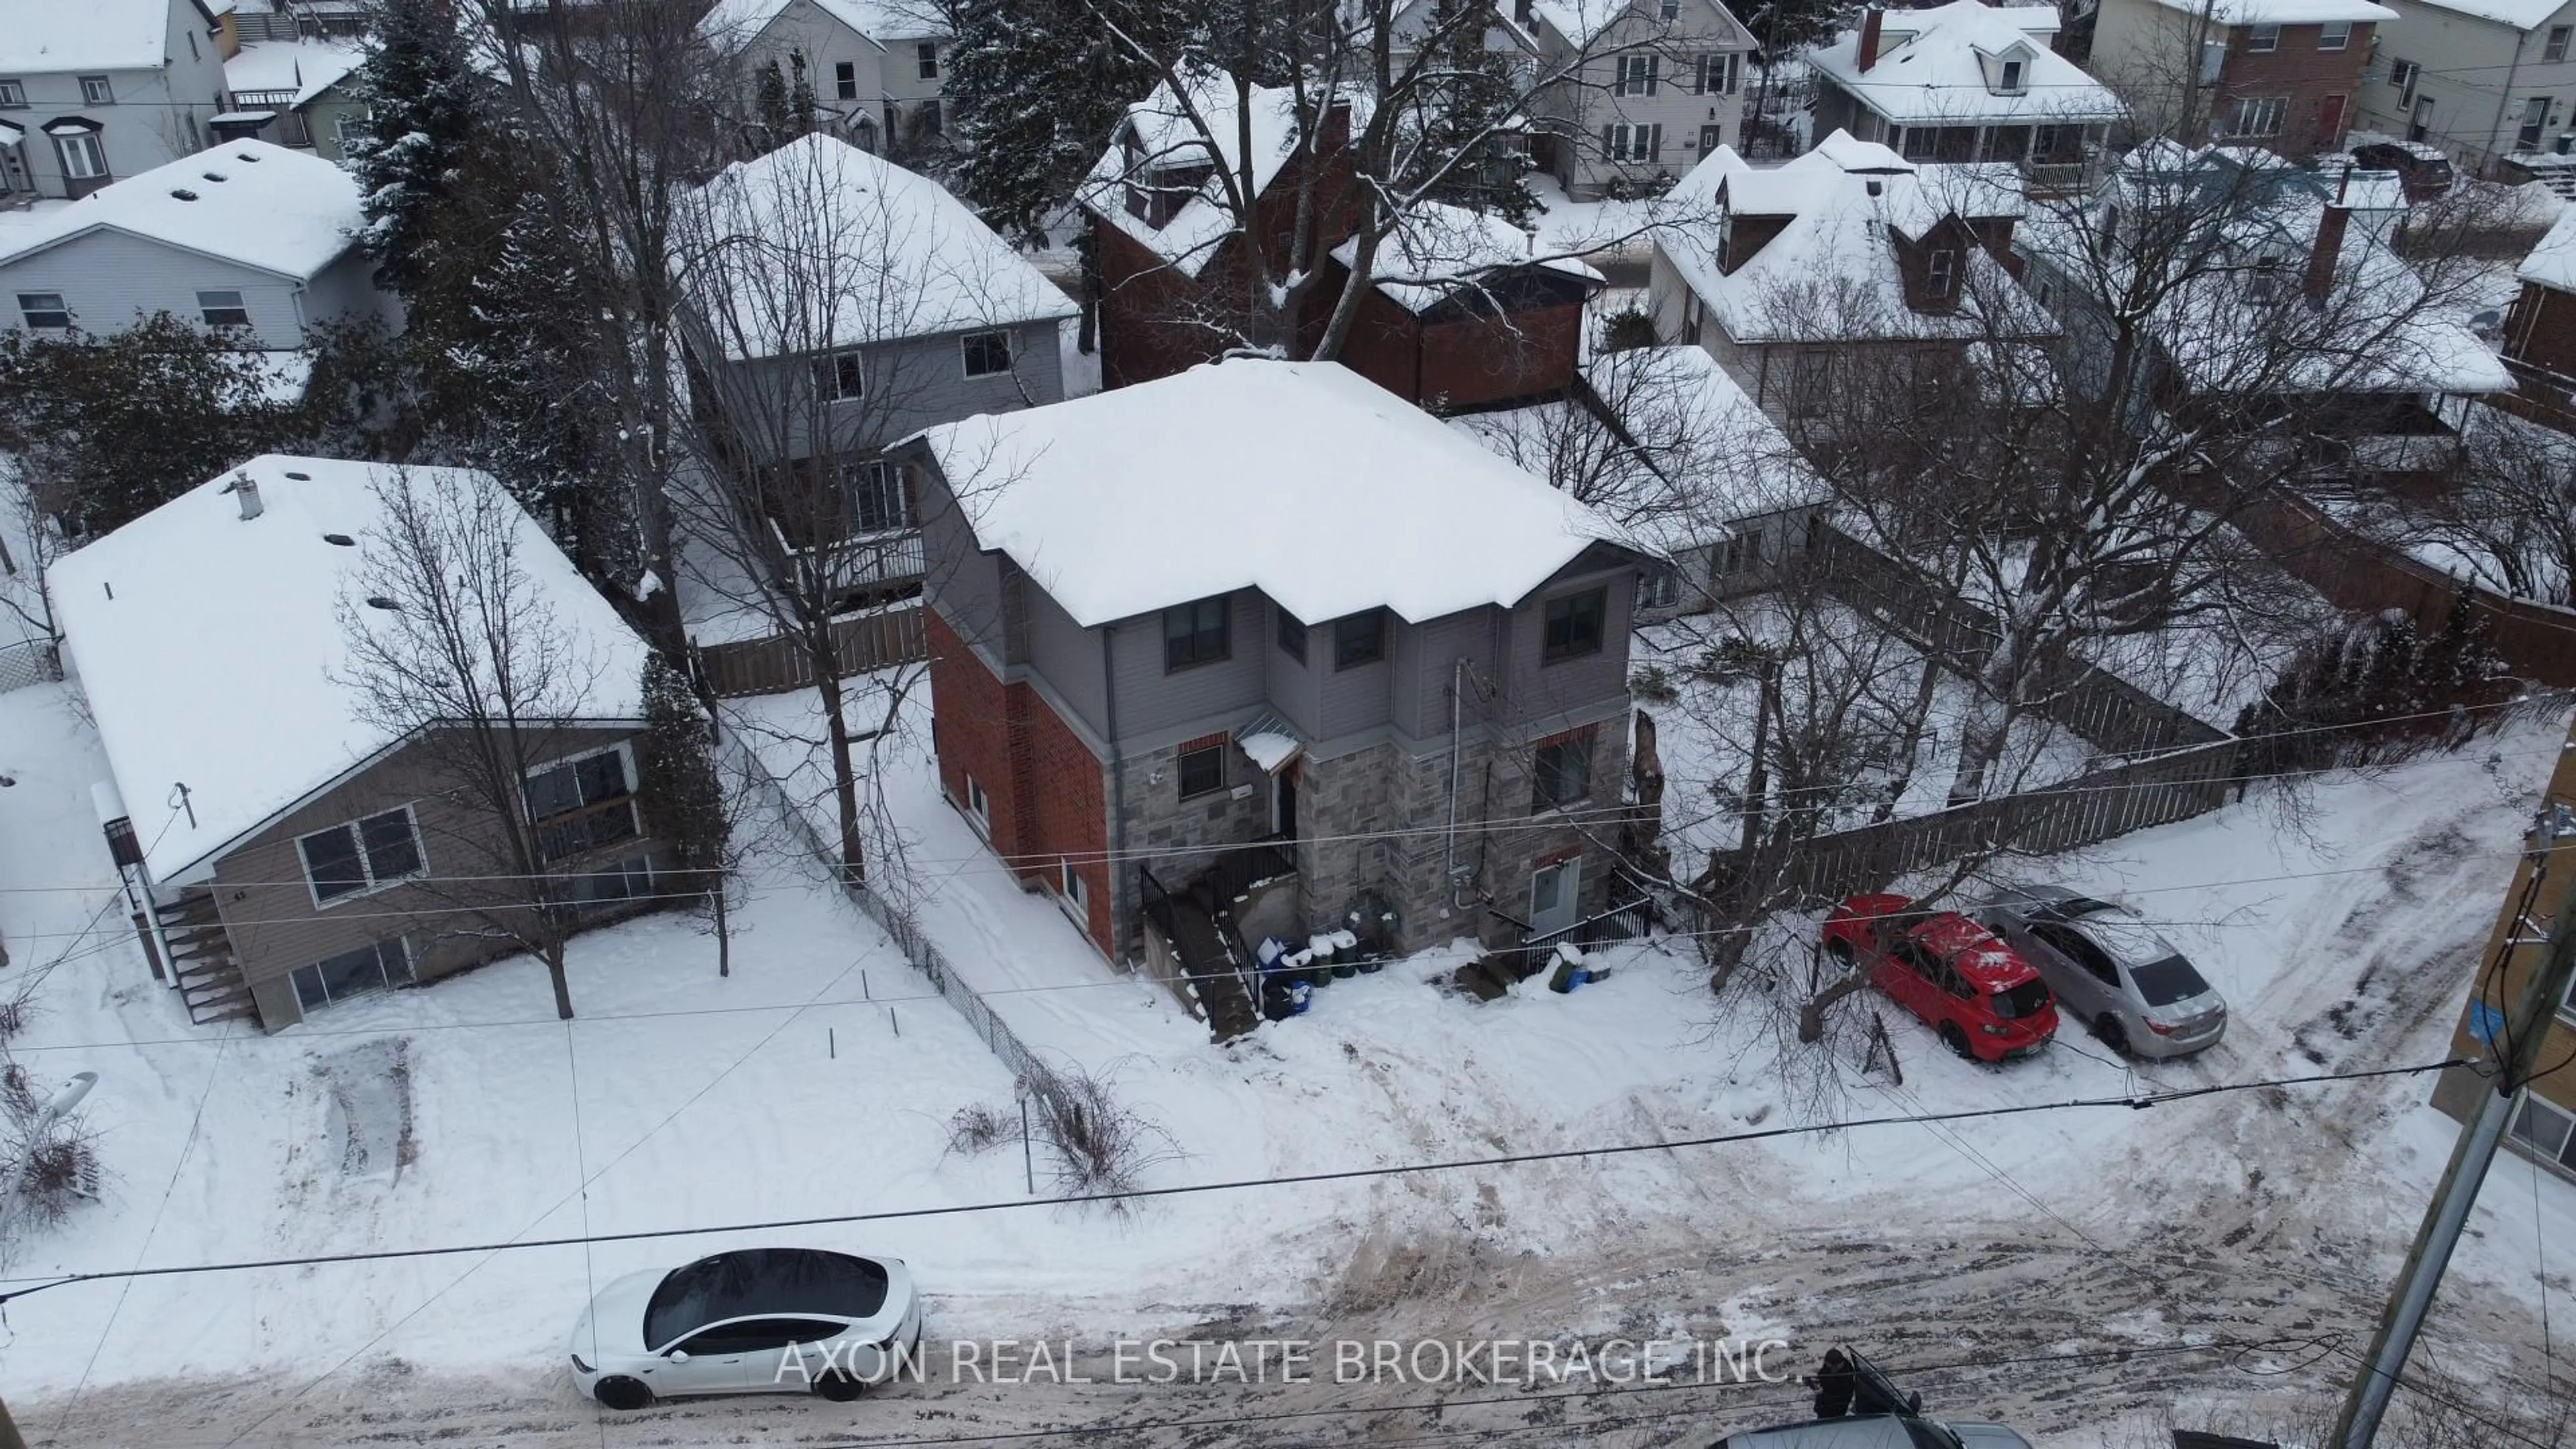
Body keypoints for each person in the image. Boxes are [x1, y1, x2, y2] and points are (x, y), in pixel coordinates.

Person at [1810, 1348, 1855, 1419]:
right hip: (1823, 1406)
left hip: (1835, 1409)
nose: (1827, 1366)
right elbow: (1822, 1374)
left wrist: (1823, 1390)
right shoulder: (1830, 1366)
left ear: (1836, 1365)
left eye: (1829, 1365)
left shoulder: (1846, 1376)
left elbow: (1839, 1392)